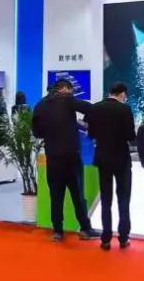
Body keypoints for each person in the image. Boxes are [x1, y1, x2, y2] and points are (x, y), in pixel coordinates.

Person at [32, 79, 97, 241]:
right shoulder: (67, 99)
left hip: (53, 157)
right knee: (78, 195)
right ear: (64, 89)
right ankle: (85, 229)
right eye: (71, 90)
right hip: (71, 156)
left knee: (56, 196)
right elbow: (90, 108)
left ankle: (58, 232)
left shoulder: (40, 105)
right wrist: (85, 123)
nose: (71, 93)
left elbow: (37, 132)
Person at [86, 82, 136, 250]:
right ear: (122, 94)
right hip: (121, 159)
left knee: (106, 200)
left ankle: (106, 238)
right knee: (123, 199)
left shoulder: (95, 108)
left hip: (103, 158)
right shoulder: (125, 110)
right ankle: (123, 237)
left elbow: (91, 134)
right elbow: (131, 136)